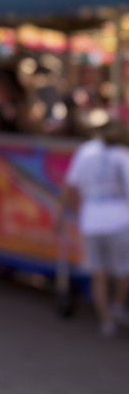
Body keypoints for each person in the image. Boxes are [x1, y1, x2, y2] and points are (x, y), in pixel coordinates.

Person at [61, 119, 129, 338]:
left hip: (91, 221)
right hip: (119, 220)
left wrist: (67, 212)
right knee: (122, 268)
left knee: (98, 273)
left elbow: (70, 186)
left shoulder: (85, 152)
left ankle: (106, 320)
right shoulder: (122, 155)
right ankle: (117, 306)